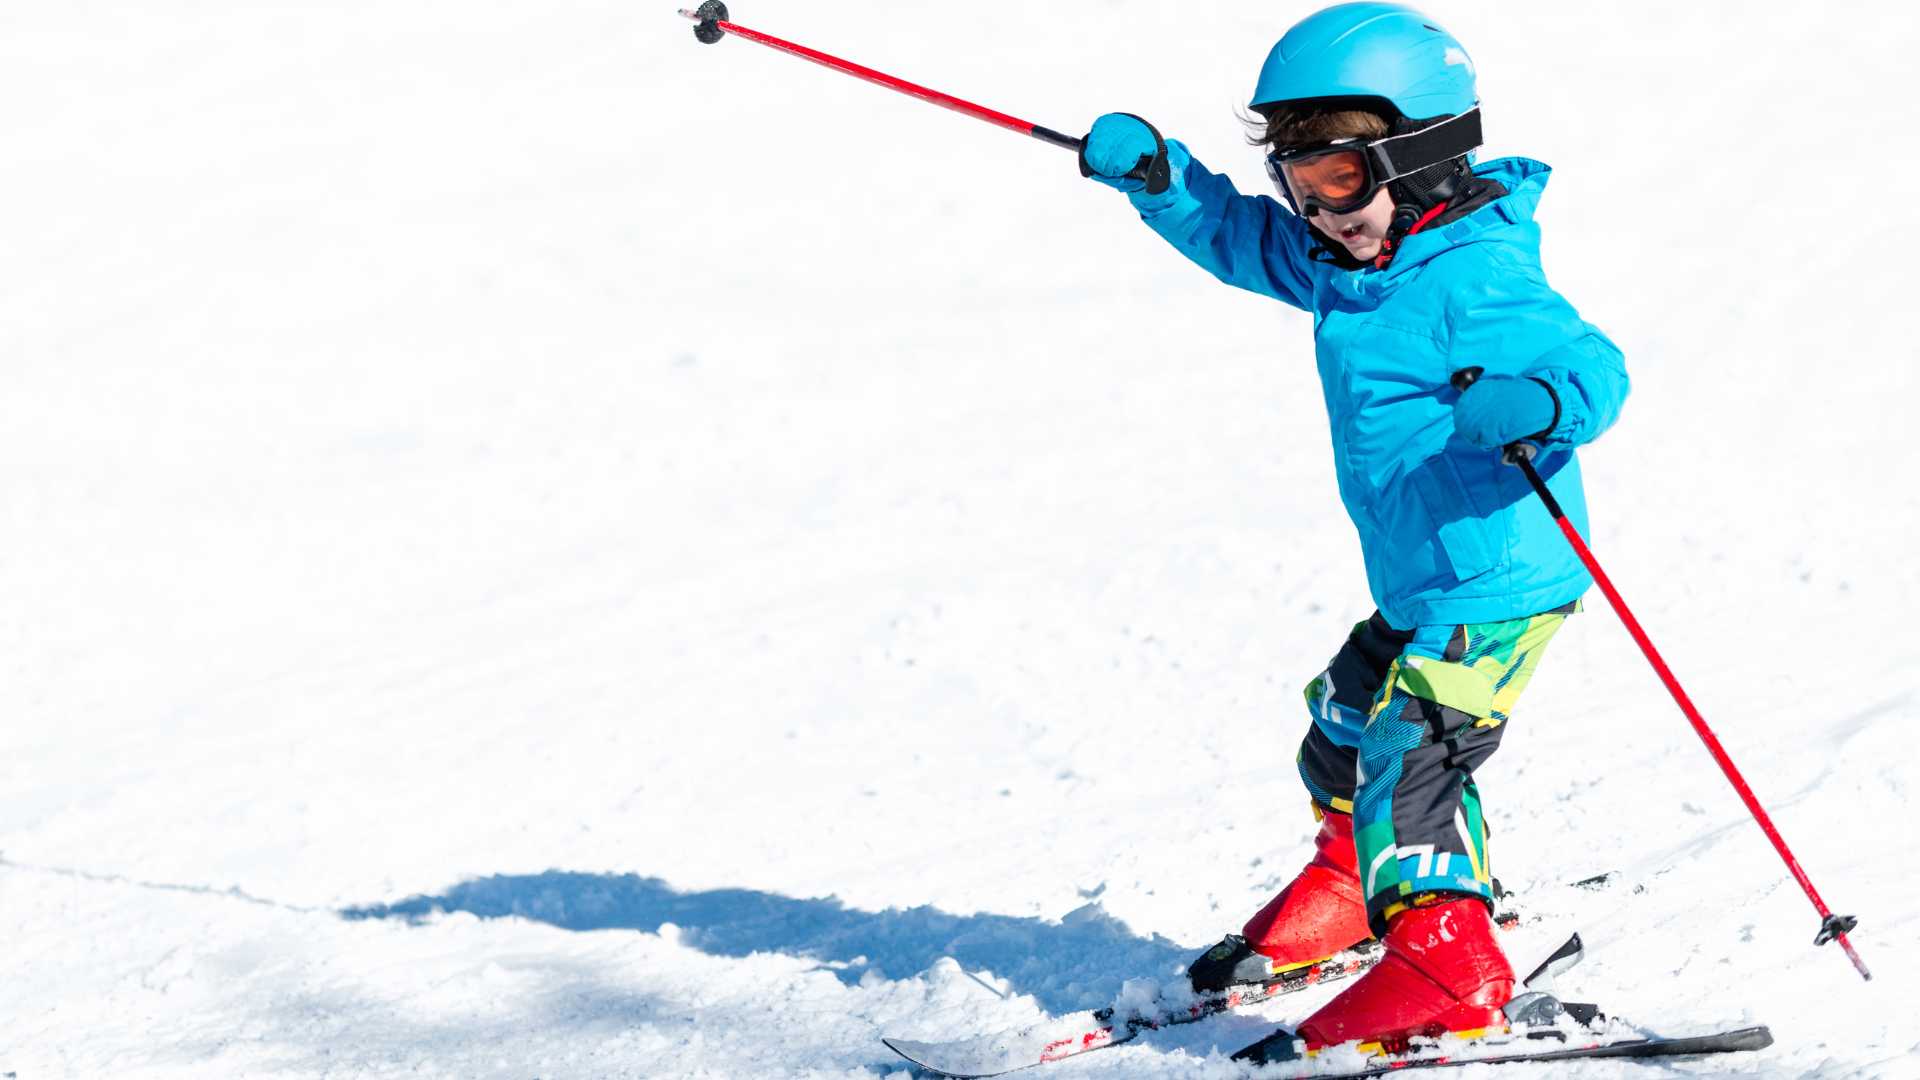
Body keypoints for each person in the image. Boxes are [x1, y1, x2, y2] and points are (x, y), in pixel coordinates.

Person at [1076, 1, 1629, 1049]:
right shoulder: (1353, 265)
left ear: (1423, 158)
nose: (1318, 212)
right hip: (1422, 579)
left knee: (1409, 755)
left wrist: (1543, 403)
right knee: (1338, 729)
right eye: (1299, 182)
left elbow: (1593, 366)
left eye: (1337, 178)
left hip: (1499, 584)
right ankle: (1347, 890)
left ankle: (1448, 968)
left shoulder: (1475, 275)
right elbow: (1242, 240)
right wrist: (1164, 183)